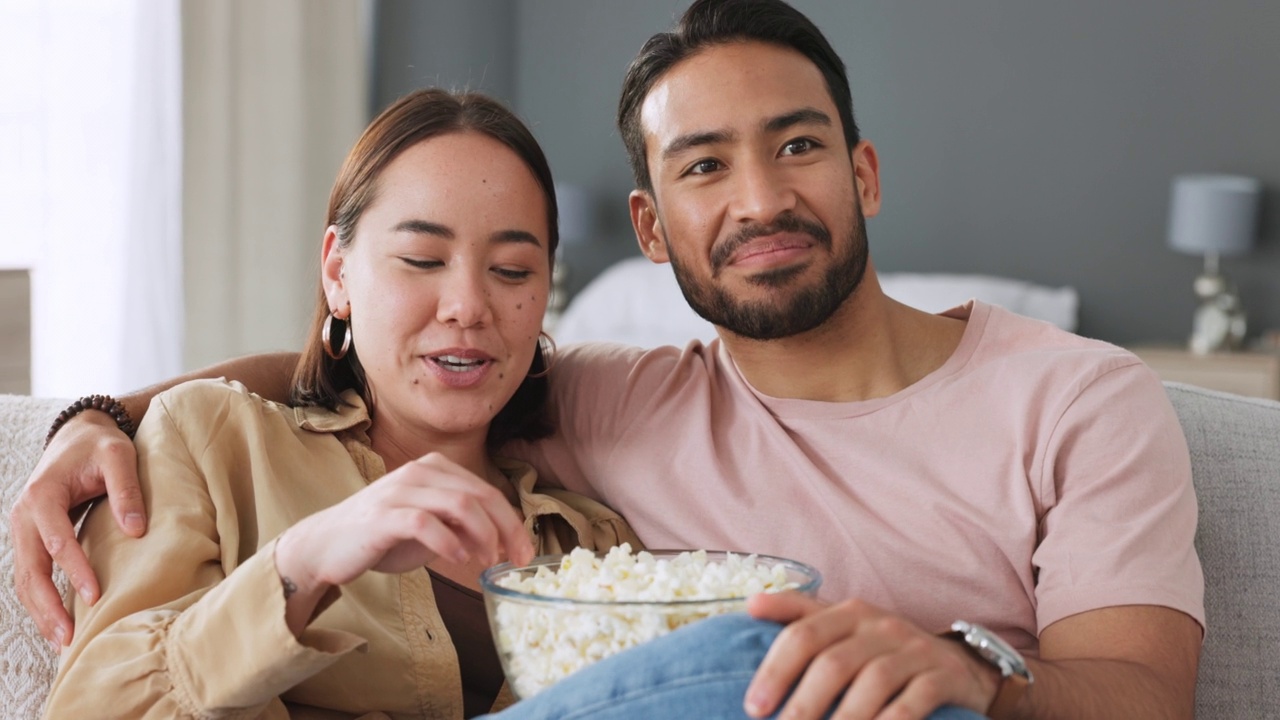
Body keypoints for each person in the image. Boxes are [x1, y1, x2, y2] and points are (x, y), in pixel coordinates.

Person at [12, 1, 1203, 718]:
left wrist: (966, 673)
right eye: (700, 166)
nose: (758, 199)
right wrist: (99, 410)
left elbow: (1147, 697)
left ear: (863, 173)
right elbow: (382, 370)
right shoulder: (614, 398)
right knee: (761, 650)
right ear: (648, 229)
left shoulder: (1075, 397)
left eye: (796, 145)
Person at [34, 88, 640, 719]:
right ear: (337, 273)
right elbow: (92, 707)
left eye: (513, 271)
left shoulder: (593, 546)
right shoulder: (210, 442)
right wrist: (305, 563)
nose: (467, 305)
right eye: (421, 259)